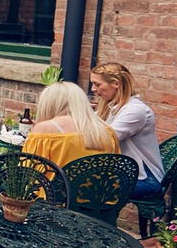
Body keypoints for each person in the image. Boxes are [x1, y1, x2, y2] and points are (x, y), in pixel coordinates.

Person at [90, 62, 165, 198]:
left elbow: (105, 139)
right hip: (124, 172)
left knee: (87, 186)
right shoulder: (110, 107)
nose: (93, 89)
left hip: (145, 179)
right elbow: (86, 125)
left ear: (116, 84)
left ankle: (98, 219)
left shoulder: (135, 111)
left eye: (97, 84)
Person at [22, 81, 120, 168]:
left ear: (48, 104)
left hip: (56, 188)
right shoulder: (106, 130)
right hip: (100, 188)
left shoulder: (45, 129)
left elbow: (27, 169)